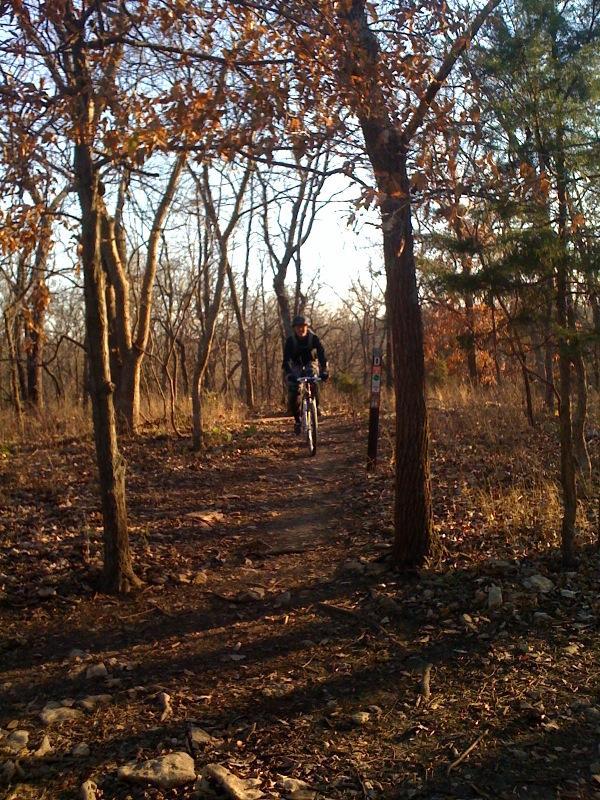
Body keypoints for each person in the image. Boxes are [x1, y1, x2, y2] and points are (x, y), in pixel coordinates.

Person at [283, 315, 329, 434]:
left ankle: (316, 406)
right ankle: (297, 420)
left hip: (310, 362)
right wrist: (289, 374)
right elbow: (286, 360)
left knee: (313, 379)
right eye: (298, 327)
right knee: (294, 389)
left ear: (307, 327)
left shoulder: (314, 338)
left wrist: (324, 370)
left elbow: (322, 354)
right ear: (294, 328)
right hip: (296, 364)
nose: (301, 329)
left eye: (303, 327)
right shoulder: (290, 341)